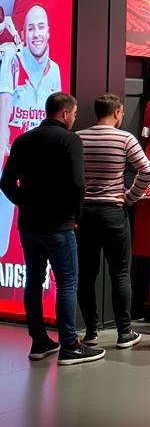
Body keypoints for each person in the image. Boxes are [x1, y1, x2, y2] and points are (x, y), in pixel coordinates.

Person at [0, 92, 103, 365]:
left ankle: (39, 341)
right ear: (66, 113)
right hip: (59, 224)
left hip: (29, 225)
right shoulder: (70, 140)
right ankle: (70, 345)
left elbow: (6, 182)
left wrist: (26, 202)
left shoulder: (23, 140)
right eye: (74, 114)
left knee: (33, 282)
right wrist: (76, 214)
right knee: (67, 281)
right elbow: (77, 183)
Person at [77, 93, 150, 349]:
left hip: (85, 212)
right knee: (120, 273)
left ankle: (90, 332)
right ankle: (124, 332)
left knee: (86, 274)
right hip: (113, 211)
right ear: (118, 112)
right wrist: (130, 197)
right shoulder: (125, 138)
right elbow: (146, 170)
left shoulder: (79, 137)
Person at [0, 4, 63, 258]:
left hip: (42, 171)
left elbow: (58, 123)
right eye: (30, 28)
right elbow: (3, 117)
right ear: (23, 34)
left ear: (48, 31)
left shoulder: (55, 70)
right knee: (4, 248)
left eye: (40, 27)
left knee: (37, 251)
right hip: (12, 163)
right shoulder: (12, 63)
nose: (36, 33)